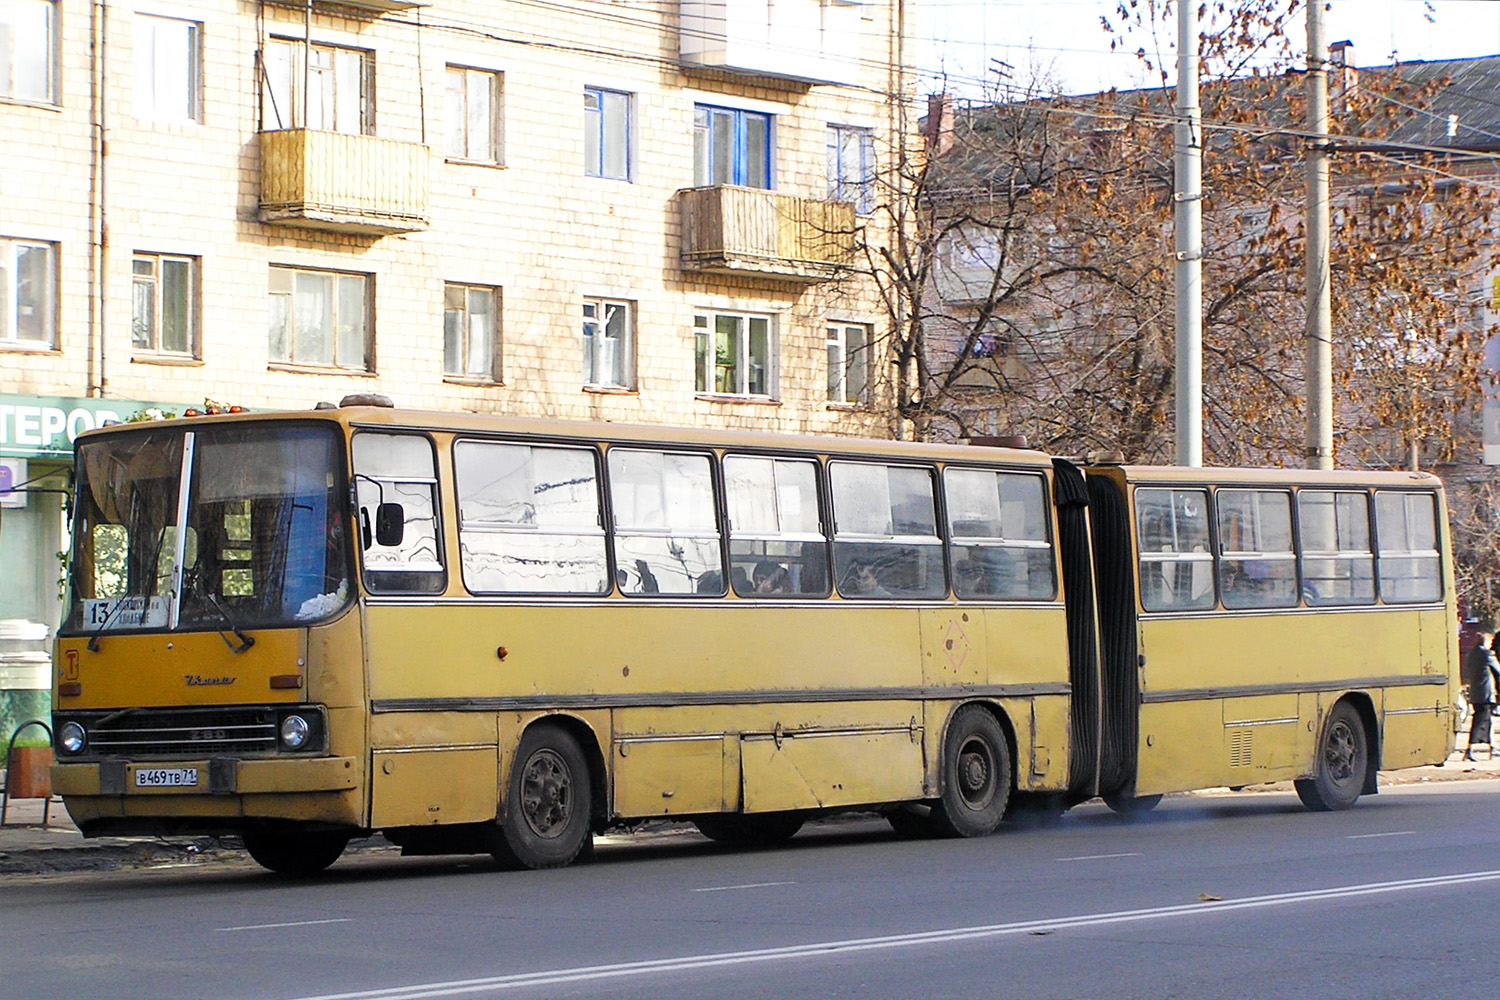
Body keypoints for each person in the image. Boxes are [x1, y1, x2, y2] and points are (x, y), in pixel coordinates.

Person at [1461, 621, 1499, 760]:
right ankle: (1470, 749)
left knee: (1487, 720)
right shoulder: (1488, 655)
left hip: (1475, 692)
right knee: (1479, 720)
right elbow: (1498, 670)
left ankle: (1492, 747)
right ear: (1486, 642)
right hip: (1486, 694)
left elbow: (1466, 672)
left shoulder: (1472, 654)